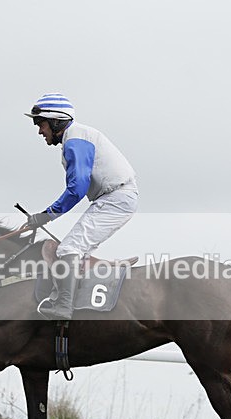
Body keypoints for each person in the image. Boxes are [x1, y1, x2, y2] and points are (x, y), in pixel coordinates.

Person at [24, 93, 139, 320]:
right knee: (73, 249)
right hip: (114, 197)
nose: (39, 131)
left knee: (68, 249)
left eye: (41, 124)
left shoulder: (75, 141)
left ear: (55, 122)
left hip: (116, 199)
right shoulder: (76, 137)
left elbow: (77, 188)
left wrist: (46, 215)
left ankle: (63, 307)